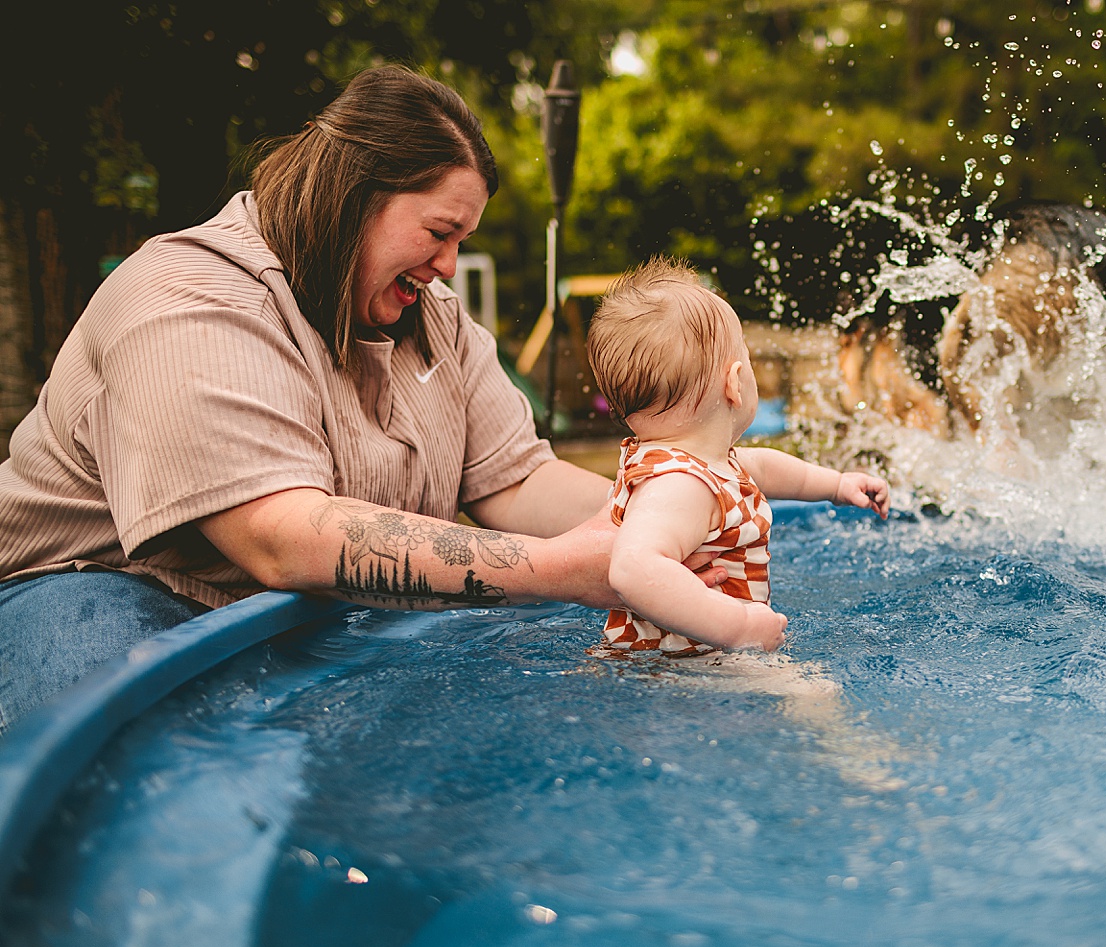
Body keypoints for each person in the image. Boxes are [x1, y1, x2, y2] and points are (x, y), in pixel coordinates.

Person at [0, 66, 721, 733]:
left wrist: (662, 519)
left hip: (291, 615)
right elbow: (280, 536)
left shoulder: (433, 319)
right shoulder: (186, 298)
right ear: (354, 196)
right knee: (159, 765)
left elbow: (517, 479)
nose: (447, 268)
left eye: (460, 240)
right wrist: (558, 570)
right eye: (440, 233)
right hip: (88, 595)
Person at [586, 257, 890, 658]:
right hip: (683, 662)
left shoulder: (706, 463)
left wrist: (836, 485)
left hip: (686, 656)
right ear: (735, 384)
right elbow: (630, 569)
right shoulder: (681, 485)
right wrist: (739, 626)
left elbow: (763, 466)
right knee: (814, 698)